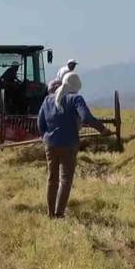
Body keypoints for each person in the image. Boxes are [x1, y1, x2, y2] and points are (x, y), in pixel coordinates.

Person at [37, 72, 112, 218]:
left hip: (50, 145)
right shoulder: (76, 98)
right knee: (65, 180)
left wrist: (46, 136)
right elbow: (87, 118)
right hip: (69, 145)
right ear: (76, 87)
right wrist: (102, 129)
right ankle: (59, 214)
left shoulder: (47, 99)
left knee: (52, 179)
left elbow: (40, 123)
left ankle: (50, 213)